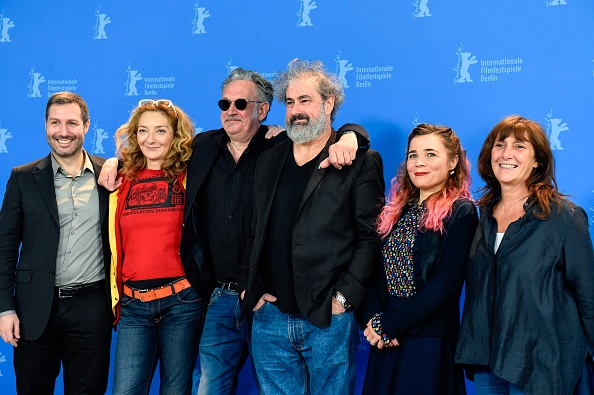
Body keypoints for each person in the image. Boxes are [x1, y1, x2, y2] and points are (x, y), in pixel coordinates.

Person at [99, 68, 367, 395]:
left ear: (263, 110)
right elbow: (153, 153)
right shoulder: (202, 147)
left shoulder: (282, 146)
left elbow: (337, 134)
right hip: (217, 296)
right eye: (224, 103)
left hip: (269, 297)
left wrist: (353, 133)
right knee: (208, 387)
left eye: (241, 103)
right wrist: (113, 163)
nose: (231, 111)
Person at [240, 58, 385, 395]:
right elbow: (252, 229)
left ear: (329, 103)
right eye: (290, 102)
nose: (296, 110)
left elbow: (369, 237)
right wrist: (253, 290)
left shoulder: (358, 161)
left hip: (327, 318)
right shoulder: (269, 159)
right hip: (270, 316)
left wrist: (344, 299)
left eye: (305, 101)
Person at [455, 115, 594, 395]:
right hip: (487, 357)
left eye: (520, 146)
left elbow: (588, 296)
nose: (507, 154)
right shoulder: (476, 216)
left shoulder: (564, 218)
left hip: (543, 362)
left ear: (537, 161)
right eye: (500, 145)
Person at [0, 91, 112, 394]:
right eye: (55, 123)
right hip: (34, 309)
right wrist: (5, 309)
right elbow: (5, 248)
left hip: (92, 309)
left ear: (86, 126)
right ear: (46, 126)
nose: (63, 132)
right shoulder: (23, 178)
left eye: (72, 123)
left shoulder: (110, 175)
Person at [361, 124, 478, 394]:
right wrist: (374, 320)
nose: (419, 162)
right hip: (386, 340)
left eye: (430, 154)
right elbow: (375, 277)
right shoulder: (397, 211)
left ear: (452, 161)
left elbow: (445, 286)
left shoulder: (462, 212)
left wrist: (389, 324)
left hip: (428, 342)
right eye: (413, 155)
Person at [109, 99, 205, 394]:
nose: (150, 139)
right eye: (143, 131)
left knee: (176, 390)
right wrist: (114, 162)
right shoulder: (121, 179)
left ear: (176, 136)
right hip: (133, 305)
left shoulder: (194, 174)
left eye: (161, 131)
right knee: (125, 390)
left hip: (182, 302)